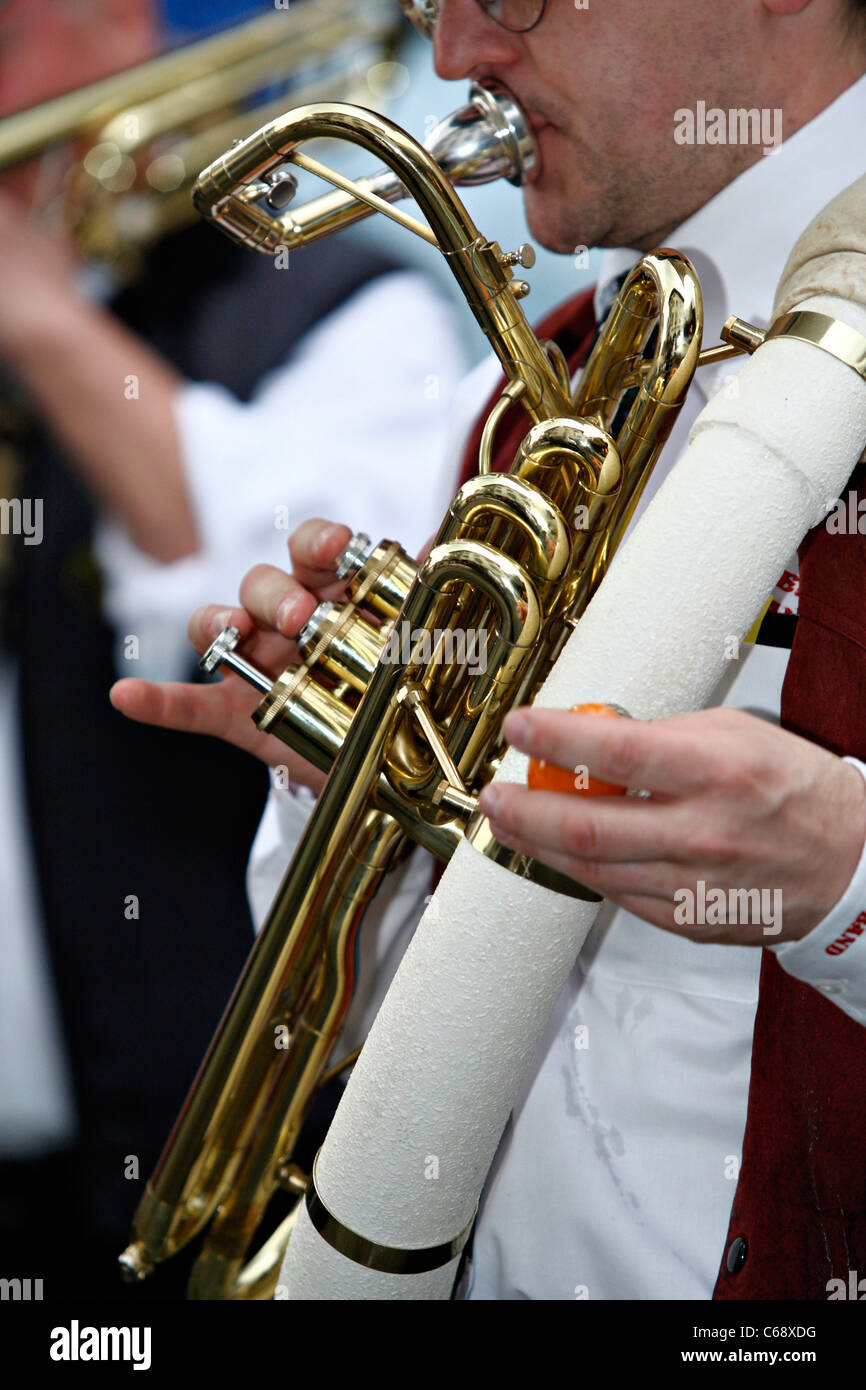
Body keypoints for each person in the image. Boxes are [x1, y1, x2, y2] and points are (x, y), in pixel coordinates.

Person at [112, 0, 866, 1300]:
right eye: (427, 5)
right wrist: (351, 800)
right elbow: (394, 1017)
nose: (452, 56)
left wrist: (841, 878)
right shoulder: (535, 385)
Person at [0, 0, 468, 1298]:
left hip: (187, 1180)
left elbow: (246, 602)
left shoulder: (340, 300)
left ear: (125, 25)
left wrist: (38, 320)